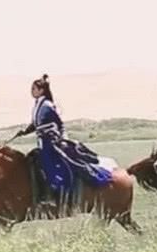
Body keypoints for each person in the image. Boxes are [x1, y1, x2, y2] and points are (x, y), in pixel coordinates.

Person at [15, 74, 114, 204]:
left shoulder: (47, 105)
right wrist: (24, 132)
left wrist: (62, 139)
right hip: (42, 142)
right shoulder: (38, 105)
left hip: (50, 142)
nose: (31, 91)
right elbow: (35, 124)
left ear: (41, 90)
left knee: (50, 166)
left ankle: (58, 192)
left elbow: (59, 123)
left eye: (34, 89)